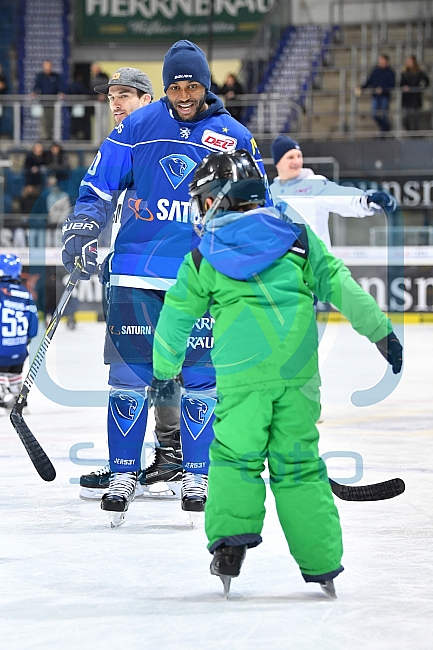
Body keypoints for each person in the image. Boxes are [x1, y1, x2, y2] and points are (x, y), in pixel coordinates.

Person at [151, 149, 403, 597]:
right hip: (298, 377)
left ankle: (229, 546)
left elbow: (176, 316)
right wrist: (382, 333)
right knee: (299, 465)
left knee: (234, 457)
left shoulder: (204, 255)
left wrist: (164, 371)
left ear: (217, 200)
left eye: (203, 201)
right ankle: (323, 563)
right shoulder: (298, 239)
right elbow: (341, 284)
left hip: (240, 377)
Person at [61, 41, 270, 527]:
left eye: (191, 86)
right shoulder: (137, 127)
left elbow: (256, 200)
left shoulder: (232, 134)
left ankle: (197, 473)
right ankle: (123, 473)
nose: (183, 95)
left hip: (199, 276)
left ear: (205, 86)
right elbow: (97, 186)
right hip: (136, 271)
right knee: (130, 377)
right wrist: (84, 223)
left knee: (201, 378)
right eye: (175, 86)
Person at [269, 135, 397, 250]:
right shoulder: (270, 192)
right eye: (290, 157)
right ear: (278, 163)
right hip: (284, 265)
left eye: (299, 156)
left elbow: (340, 196)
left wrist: (366, 200)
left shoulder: (314, 184)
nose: (296, 161)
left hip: (315, 265)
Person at [0, 254, 39, 409]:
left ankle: (1, 392)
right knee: (15, 371)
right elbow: (33, 323)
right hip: (20, 352)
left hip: (1, 351)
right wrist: (25, 340)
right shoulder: (25, 292)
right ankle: (18, 395)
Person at [356, 54, 395, 134]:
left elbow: (392, 84)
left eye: (383, 60)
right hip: (376, 96)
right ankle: (385, 127)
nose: (381, 62)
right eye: (380, 60)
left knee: (384, 114)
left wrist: (383, 89)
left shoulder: (390, 72)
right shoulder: (375, 71)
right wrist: (362, 87)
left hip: (384, 96)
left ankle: (383, 132)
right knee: (374, 114)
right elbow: (369, 81)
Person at [32, 60, 65, 140]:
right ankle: (44, 138)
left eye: (49, 66)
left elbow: (59, 87)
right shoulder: (40, 76)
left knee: (52, 121)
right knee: (44, 121)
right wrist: (34, 93)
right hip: (43, 103)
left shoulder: (56, 76)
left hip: (53, 103)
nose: (47, 68)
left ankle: (51, 138)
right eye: (45, 66)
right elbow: (36, 87)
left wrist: (61, 93)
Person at [400, 55, 430, 131]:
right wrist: (404, 87)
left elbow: (426, 80)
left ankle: (415, 133)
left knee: (416, 115)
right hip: (407, 97)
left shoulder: (418, 72)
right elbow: (400, 83)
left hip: (415, 96)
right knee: (406, 116)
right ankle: (408, 130)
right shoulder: (404, 73)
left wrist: (421, 88)